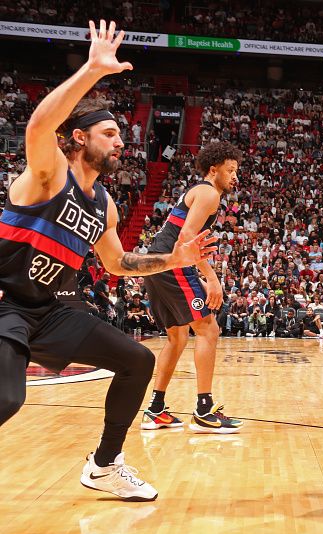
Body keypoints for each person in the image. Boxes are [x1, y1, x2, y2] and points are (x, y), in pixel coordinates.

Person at [0, 20, 216, 502]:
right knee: (8, 399)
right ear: (78, 137)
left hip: (50, 311)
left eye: (120, 134)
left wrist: (172, 258)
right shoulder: (49, 173)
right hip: (6, 304)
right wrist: (93, 72)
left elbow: (118, 264)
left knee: (136, 360)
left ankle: (104, 464)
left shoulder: (106, 205)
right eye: (110, 133)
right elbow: (39, 125)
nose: (122, 141)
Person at [141, 141, 244, 434]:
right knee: (208, 328)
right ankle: (203, 411)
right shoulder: (209, 193)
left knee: (176, 337)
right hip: (172, 261)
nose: (235, 176)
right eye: (230, 170)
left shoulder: (198, 191)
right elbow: (186, 237)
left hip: (156, 261)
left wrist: (197, 273)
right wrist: (211, 277)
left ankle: (155, 409)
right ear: (214, 170)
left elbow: (182, 238)